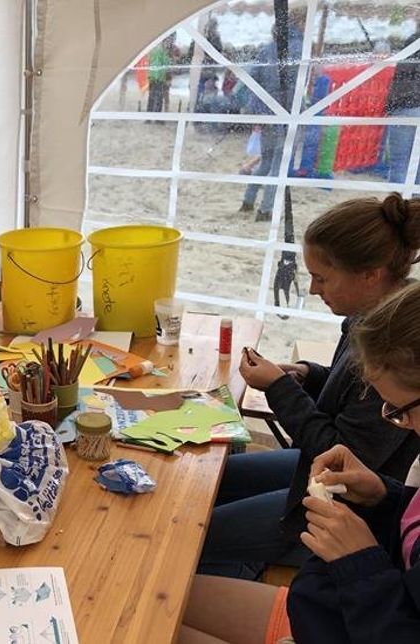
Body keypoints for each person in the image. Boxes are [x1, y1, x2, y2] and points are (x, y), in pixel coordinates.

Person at [181, 280, 420, 644]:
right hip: (329, 610)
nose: (401, 425)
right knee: (157, 595)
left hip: (351, 612)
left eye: (400, 412)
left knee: (150, 618)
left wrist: (359, 561)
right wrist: (384, 497)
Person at [198, 193, 420, 580]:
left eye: (322, 277)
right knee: (211, 479)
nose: (314, 289)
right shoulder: (374, 317)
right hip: (329, 472)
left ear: (371, 274)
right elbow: (345, 394)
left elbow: (338, 451)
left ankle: (252, 569)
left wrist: (280, 389)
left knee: (195, 532)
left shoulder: (395, 352)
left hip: (345, 500)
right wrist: (307, 374)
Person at [238, 12, 303, 223]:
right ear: (300, 24)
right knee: (278, 164)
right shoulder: (301, 48)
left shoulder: (267, 48)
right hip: (287, 111)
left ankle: (248, 201)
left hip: (267, 111)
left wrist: (256, 108)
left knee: (265, 161)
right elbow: (297, 85)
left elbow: (253, 78)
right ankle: (265, 210)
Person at [385, 31, 420, 185]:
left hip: (405, 108)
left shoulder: (409, 53)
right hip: (409, 106)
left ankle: (398, 203)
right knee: (417, 165)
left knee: (399, 162)